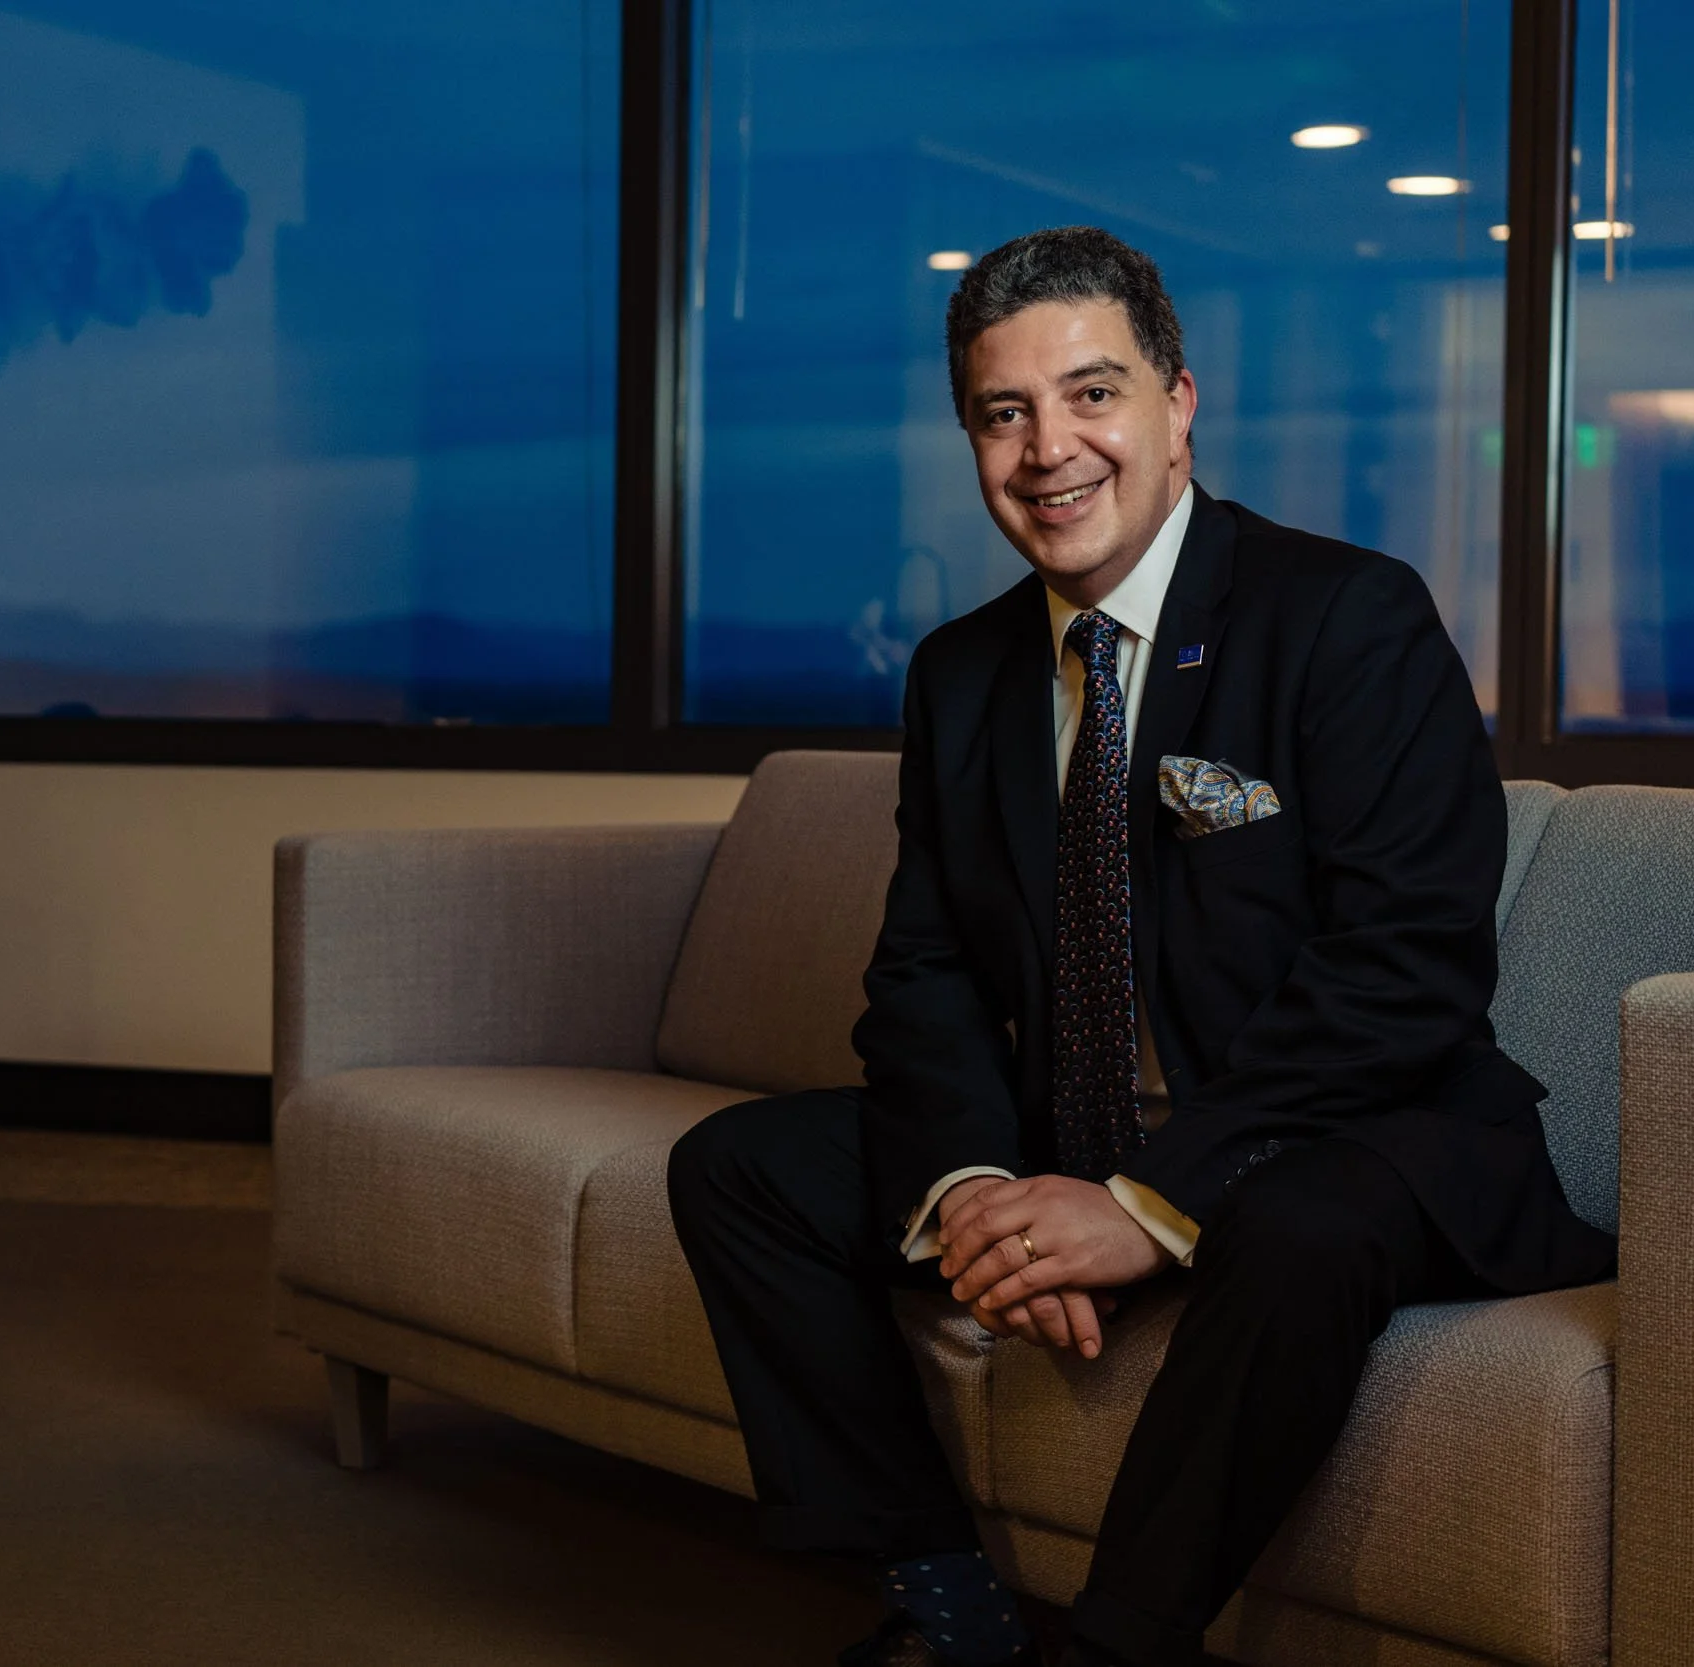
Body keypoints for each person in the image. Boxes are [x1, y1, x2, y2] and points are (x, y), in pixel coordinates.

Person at [664, 226, 1615, 1667]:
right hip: (1074, 1122)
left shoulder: (1348, 615)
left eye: (1092, 393)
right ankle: (941, 1588)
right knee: (739, 1167)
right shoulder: (961, 674)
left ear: (1179, 406)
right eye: (1004, 412)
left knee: (1297, 1231)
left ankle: (1119, 1642)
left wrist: (1147, 1202)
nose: (1049, 448)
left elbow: (1407, 966)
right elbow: (924, 975)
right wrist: (980, 1193)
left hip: (1348, 1131)